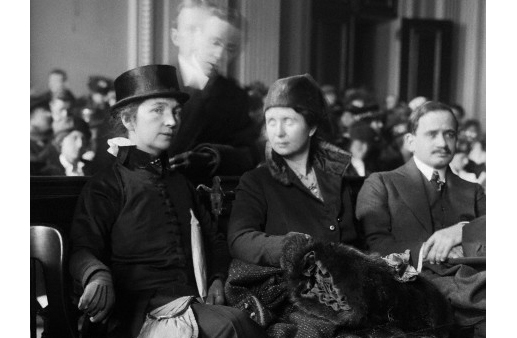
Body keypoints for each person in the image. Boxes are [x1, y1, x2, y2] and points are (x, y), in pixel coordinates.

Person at [69, 65, 266, 338]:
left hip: (191, 303)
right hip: (136, 315)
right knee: (229, 327)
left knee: (243, 322)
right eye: (158, 110)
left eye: (176, 111)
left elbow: (215, 242)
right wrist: (96, 274)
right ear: (128, 120)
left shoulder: (180, 184)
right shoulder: (107, 185)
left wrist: (217, 278)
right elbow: (81, 248)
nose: (172, 121)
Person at [356, 101, 486, 336]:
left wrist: (463, 231)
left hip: (472, 302)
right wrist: (429, 249)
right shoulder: (381, 183)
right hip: (409, 298)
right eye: (432, 134)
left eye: (449, 134)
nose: (442, 143)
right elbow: (373, 246)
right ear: (410, 141)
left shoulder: (472, 191)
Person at [228, 74, 361, 267]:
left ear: (312, 127)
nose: (278, 132)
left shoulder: (336, 175)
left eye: (288, 121)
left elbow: (356, 239)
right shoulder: (257, 181)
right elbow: (239, 239)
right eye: (271, 121)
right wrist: (290, 247)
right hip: (292, 287)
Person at [168, 1, 259, 180]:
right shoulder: (157, 79)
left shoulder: (234, 95)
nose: (220, 55)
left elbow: (248, 154)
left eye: (231, 49)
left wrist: (212, 158)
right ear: (197, 36)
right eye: (214, 42)